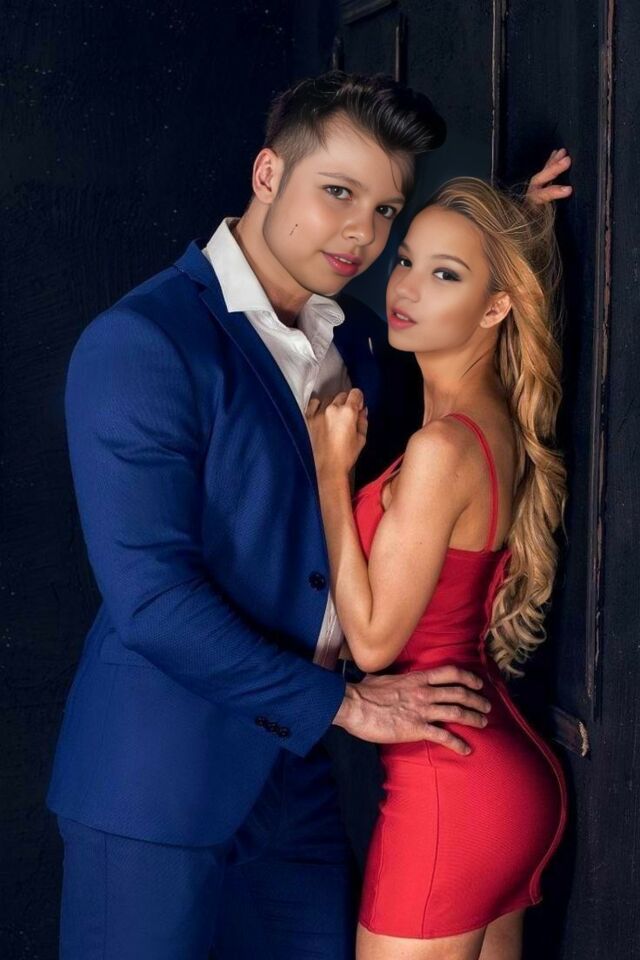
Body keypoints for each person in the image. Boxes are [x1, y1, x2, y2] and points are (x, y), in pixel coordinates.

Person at [46, 70, 572, 959]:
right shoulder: (144, 341)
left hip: (298, 792)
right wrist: (347, 705)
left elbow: (462, 343)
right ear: (266, 174)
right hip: (156, 786)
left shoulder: (361, 339)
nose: (362, 233)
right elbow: (153, 602)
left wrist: (510, 228)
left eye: (386, 209)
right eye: (337, 193)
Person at [306, 175, 569, 960]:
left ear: (495, 308)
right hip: (500, 776)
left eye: (445, 275)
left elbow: (374, 642)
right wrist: (520, 218)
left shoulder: (441, 448)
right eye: (408, 261)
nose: (407, 288)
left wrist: (330, 473)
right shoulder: (489, 423)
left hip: (446, 787)